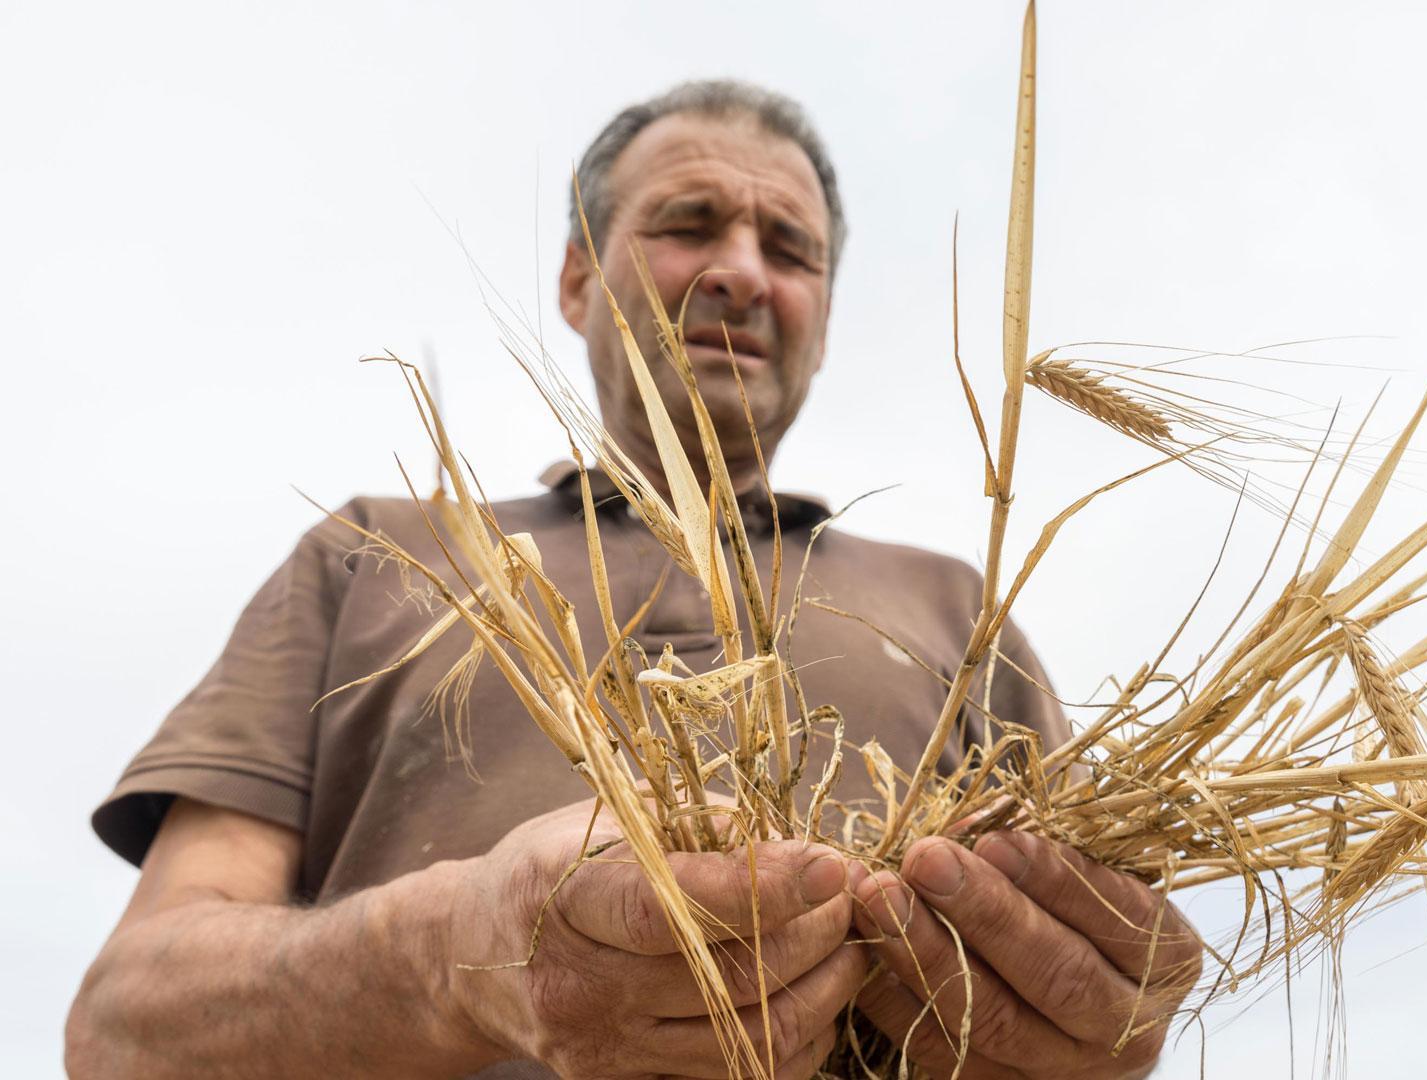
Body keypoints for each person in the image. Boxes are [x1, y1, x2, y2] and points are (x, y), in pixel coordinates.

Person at [66, 81, 1201, 1079]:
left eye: (792, 249)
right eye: (687, 224)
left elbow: (1098, 993)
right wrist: (457, 955)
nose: (742, 273)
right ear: (575, 277)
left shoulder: (962, 601)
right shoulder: (374, 552)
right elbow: (125, 1033)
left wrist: (1098, 1020)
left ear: (823, 315)